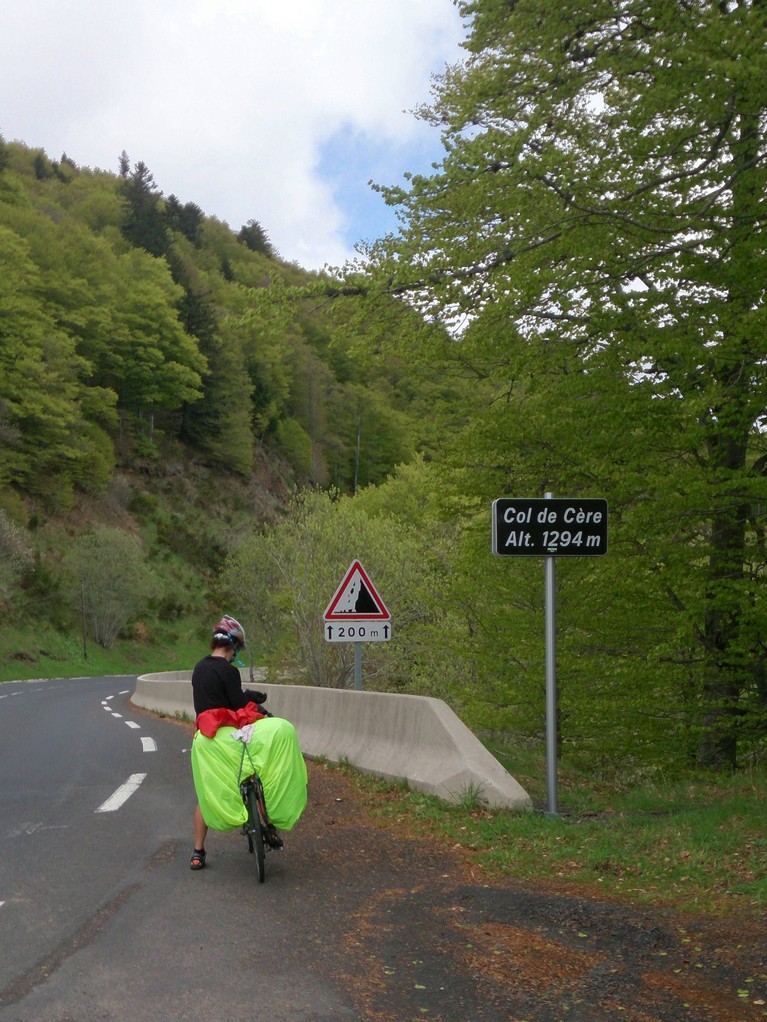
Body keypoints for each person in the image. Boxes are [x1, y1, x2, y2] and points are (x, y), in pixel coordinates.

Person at [189, 614, 274, 870]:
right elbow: (237, 705)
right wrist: (254, 701)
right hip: (227, 737)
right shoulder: (229, 670)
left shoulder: (199, 668)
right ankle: (267, 827)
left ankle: (198, 852)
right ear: (233, 646)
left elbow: (210, 701)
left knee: (206, 795)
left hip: (204, 739)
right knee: (254, 772)